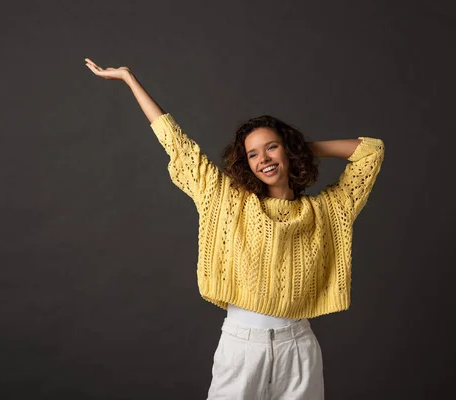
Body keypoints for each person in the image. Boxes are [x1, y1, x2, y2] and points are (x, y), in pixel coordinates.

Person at [84, 59, 385, 400]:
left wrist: (299, 148)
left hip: (299, 348)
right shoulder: (228, 201)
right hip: (243, 347)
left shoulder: (325, 211)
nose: (264, 159)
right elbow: (179, 147)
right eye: (253, 154)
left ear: (287, 149)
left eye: (271, 147)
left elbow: (370, 152)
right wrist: (128, 79)